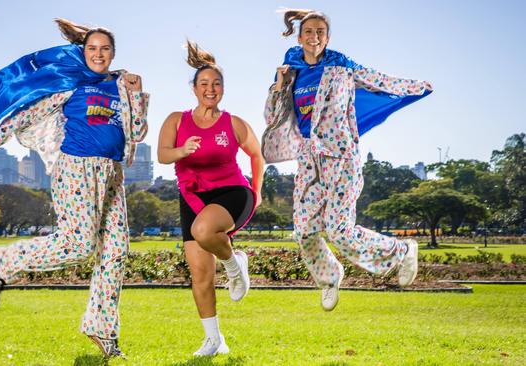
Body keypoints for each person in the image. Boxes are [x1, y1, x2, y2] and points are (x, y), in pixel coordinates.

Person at [0, 18, 149, 358]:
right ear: (83, 52)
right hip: (76, 170)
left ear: (113, 53)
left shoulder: (124, 88)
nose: (98, 54)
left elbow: (139, 131)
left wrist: (138, 93)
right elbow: (28, 112)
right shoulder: (70, 85)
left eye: (104, 49)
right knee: (79, 244)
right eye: (92, 49)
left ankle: (103, 331)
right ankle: (2, 263)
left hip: (112, 174)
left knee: (114, 252)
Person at [262, 9, 432, 312]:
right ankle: (329, 278)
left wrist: (415, 87)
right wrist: (278, 84)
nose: (314, 37)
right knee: (304, 230)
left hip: (341, 157)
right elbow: (272, 117)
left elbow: (379, 80)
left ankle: (402, 251)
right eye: (309, 32)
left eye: (320, 32)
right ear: (300, 37)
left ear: (327, 38)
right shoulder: (292, 72)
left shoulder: (342, 66)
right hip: (309, 160)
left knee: (340, 230)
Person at [157, 41, 264, 356]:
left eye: (216, 84)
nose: (210, 88)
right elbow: (164, 155)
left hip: (232, 192)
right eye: (204, 83)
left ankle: (234, 264)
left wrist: (257, 192)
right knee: (200, 274)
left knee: (204, 232)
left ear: (223, 89)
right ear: (193, 88)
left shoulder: (233, 123)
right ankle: (214, 340)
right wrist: (182, 151)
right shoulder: (176, 120)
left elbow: (256, 155)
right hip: (192, 195)